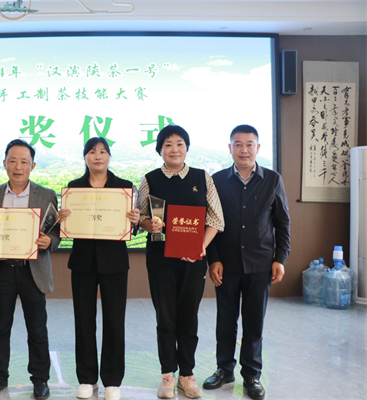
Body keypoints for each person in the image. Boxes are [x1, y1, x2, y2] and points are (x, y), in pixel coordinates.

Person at [0, 139, 60, 400]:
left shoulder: (46, 195)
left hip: (33, 271)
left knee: (37, 329)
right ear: (4, 163)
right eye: (13, 161)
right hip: (2, 270)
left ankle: (40, 379)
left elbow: (56, 233)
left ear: (32, 166)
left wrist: (50, 242)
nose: (18, 167)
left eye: (24, 162)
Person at [203, 125, 291, 400]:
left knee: (254, 324)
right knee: (225, 321)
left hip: (260, 264)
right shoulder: (217, 180)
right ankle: (224, 369)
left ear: (258, 148)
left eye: (249, 144)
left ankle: (252, 375)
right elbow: (210, 223)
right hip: (226, 264)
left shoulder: (272, 179)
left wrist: (280, 259)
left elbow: (282, 223)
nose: (243, 149)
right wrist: (213, 259)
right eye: (238, 144)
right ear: (230, 148)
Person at [139, 125, 224, 399]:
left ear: (186, 148)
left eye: (179, 144)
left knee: (188, 317)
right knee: (165, 318)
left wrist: (200, 246)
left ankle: (187, 375)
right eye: (167, 144)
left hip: (193, 259)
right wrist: (148, 224)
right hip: (160, 259)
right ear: (160, 150)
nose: (174, 149)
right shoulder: (150, 179)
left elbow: (216, 219)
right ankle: (167, 375)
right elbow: (141, 218)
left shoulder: (202, 177)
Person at [57, 138, 140, 400]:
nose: (98, 156)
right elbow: (65, 226)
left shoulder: (124, 187)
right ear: (85, 157)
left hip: (114, 263)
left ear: (109, 157)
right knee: (83, 320)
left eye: (103, 151)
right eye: (92, 152)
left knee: (114, 320)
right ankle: (87, 378)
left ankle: (112, 381)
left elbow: (134, 226)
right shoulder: (74, 188)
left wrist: (135, 220)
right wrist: (62, 219)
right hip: (83, 261)